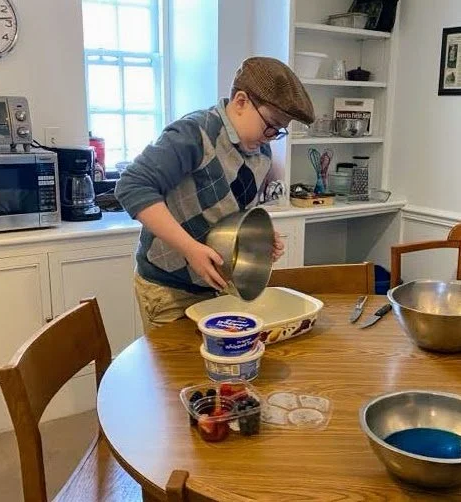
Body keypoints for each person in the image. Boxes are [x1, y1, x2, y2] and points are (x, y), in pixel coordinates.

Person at [115, 56, 315, 333]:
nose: (271, 136)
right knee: (177, 373)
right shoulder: (193, 134)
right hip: (168, 287)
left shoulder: (261, 153)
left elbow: (234, 216)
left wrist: (262, 239)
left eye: (279, 131)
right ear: (241, 101)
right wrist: (190, 248)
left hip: (218, 287)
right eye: (270, 124)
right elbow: (131, 185)